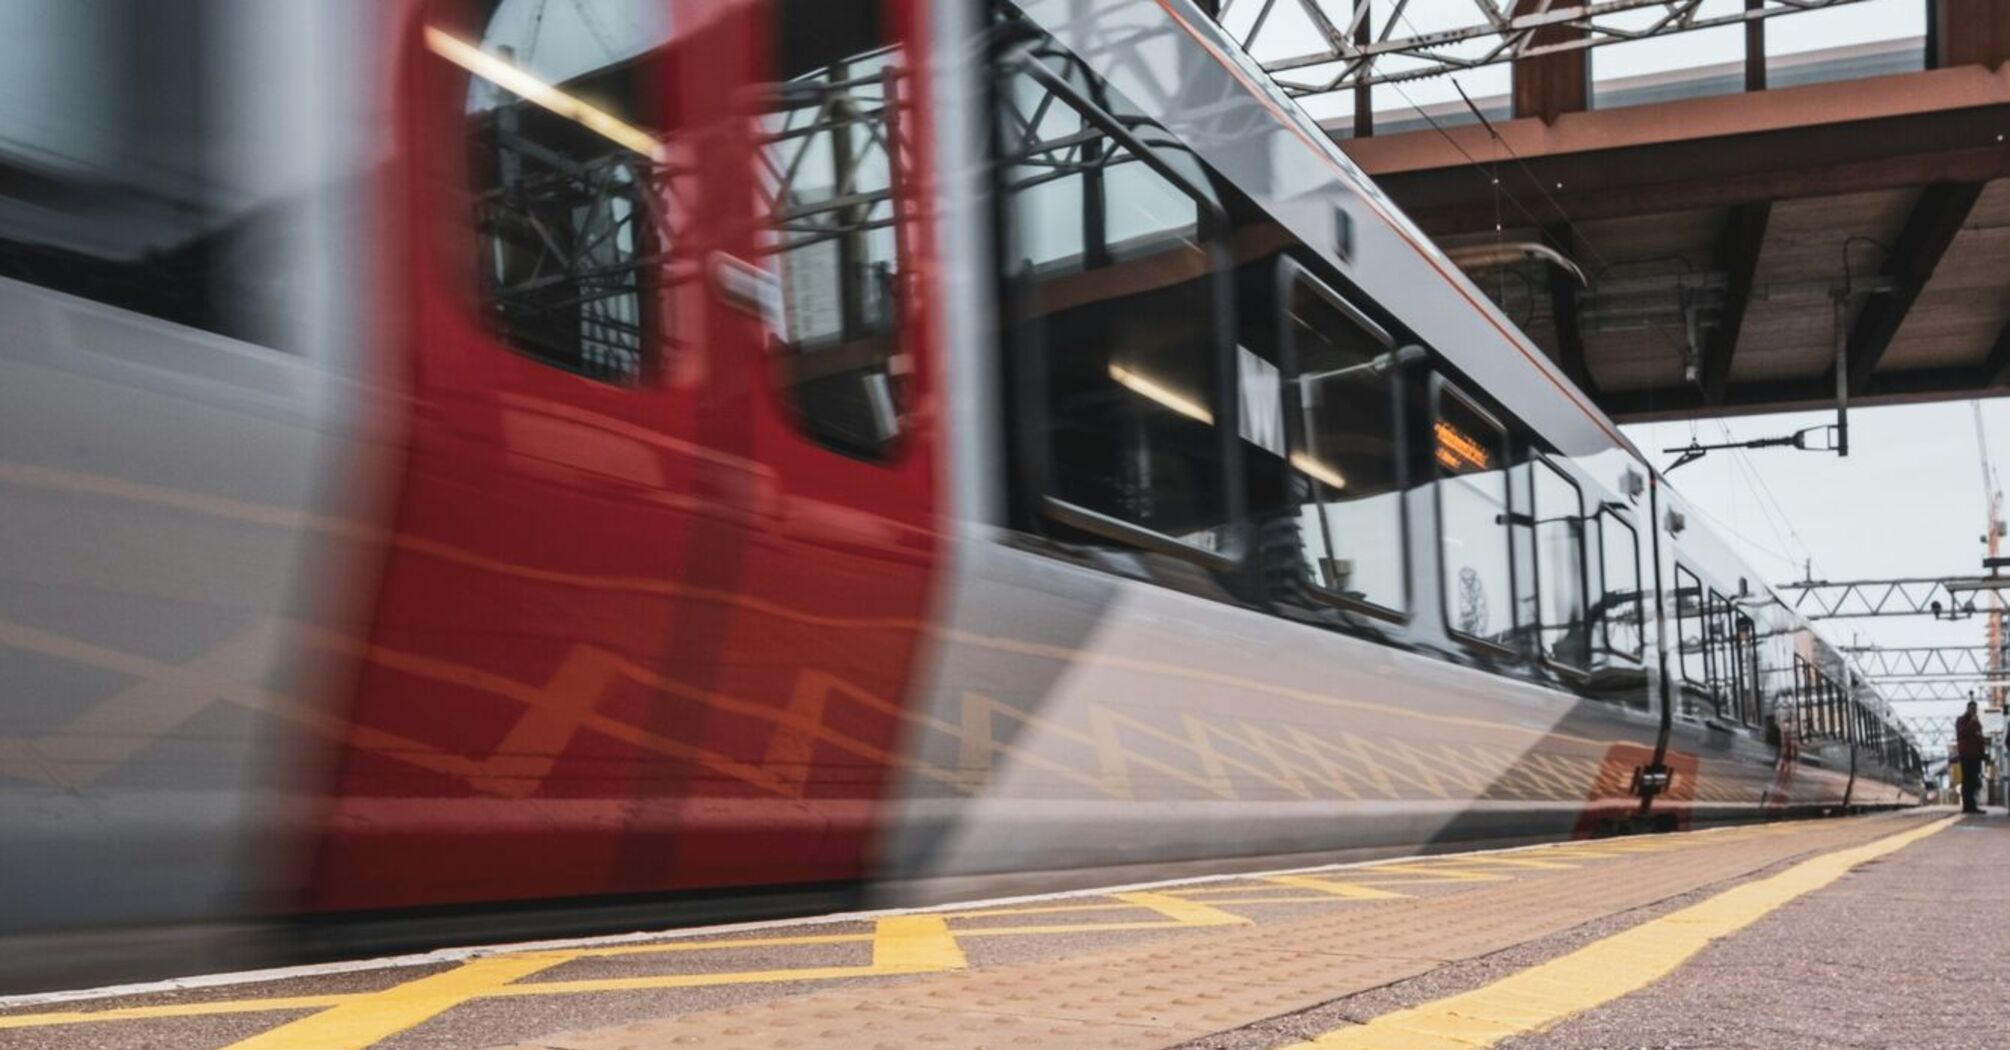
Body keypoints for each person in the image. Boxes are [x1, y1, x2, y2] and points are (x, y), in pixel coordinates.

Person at [1955, 700, 1986, 814]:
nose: (1974, 711)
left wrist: (1982, 753)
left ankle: (1972, 805)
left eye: (1975, 709)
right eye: (1972, 709)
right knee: (1967, 780)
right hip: (1967, 755)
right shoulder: (1962, 720)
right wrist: (1972, 723)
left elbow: (1979, 737)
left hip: (1976, 755)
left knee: (1973, 781)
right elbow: (1962, 733)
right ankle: (1967, 806)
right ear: (1968, 709)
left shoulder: (1977, 722)